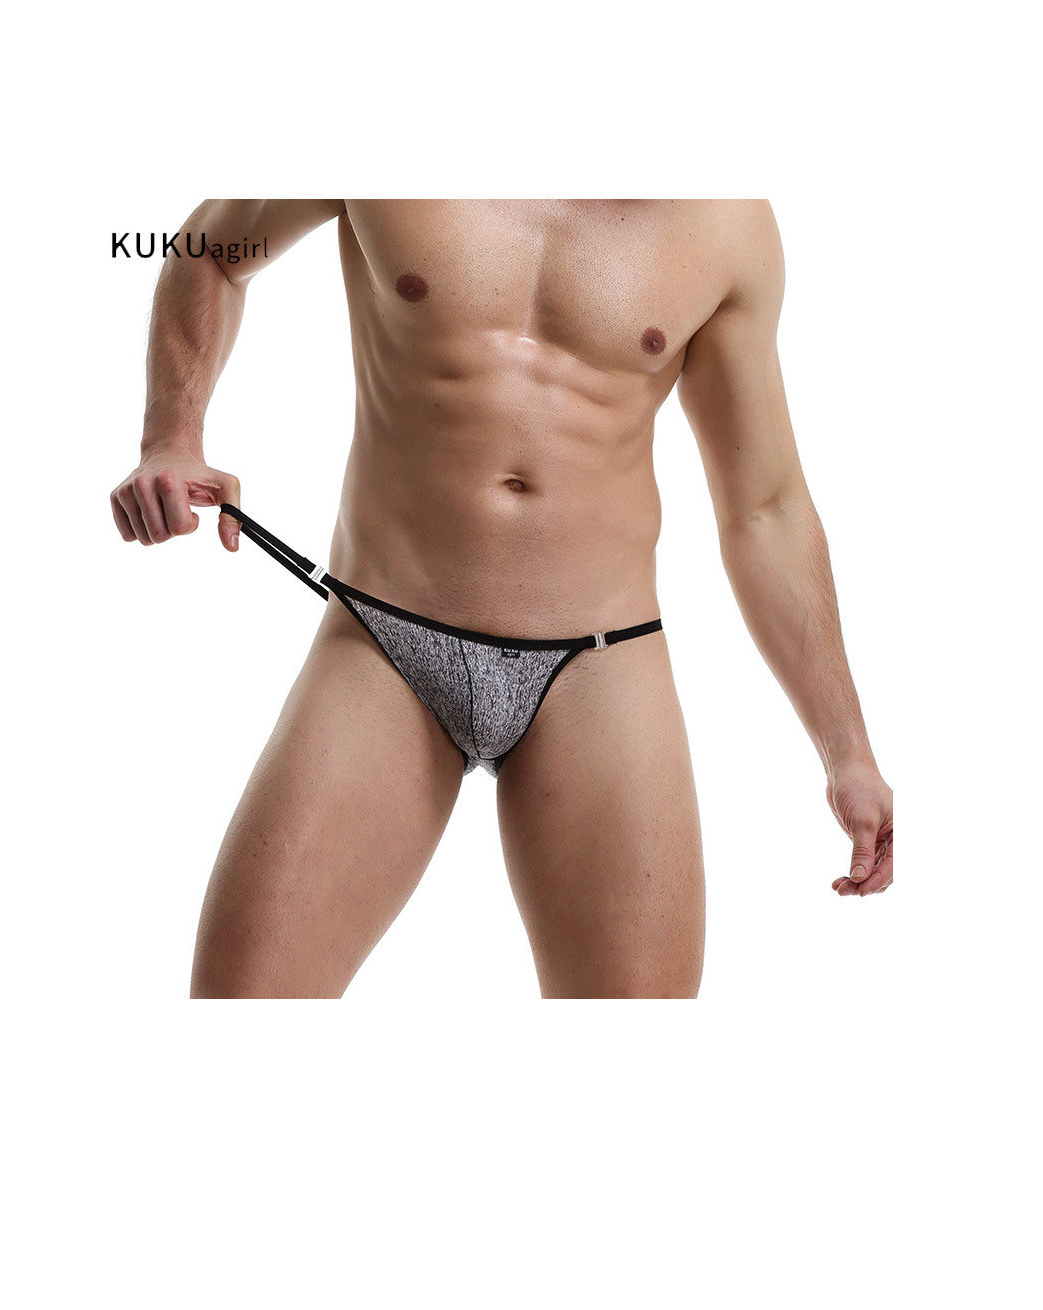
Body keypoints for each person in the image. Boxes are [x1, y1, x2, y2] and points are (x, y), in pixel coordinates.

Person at [111, 199, 893, 999]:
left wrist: (849, 753)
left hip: (599, 664)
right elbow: (209, 250)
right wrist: (171, 436)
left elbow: (765, 508)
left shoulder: (724, 221)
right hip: (385, 639)